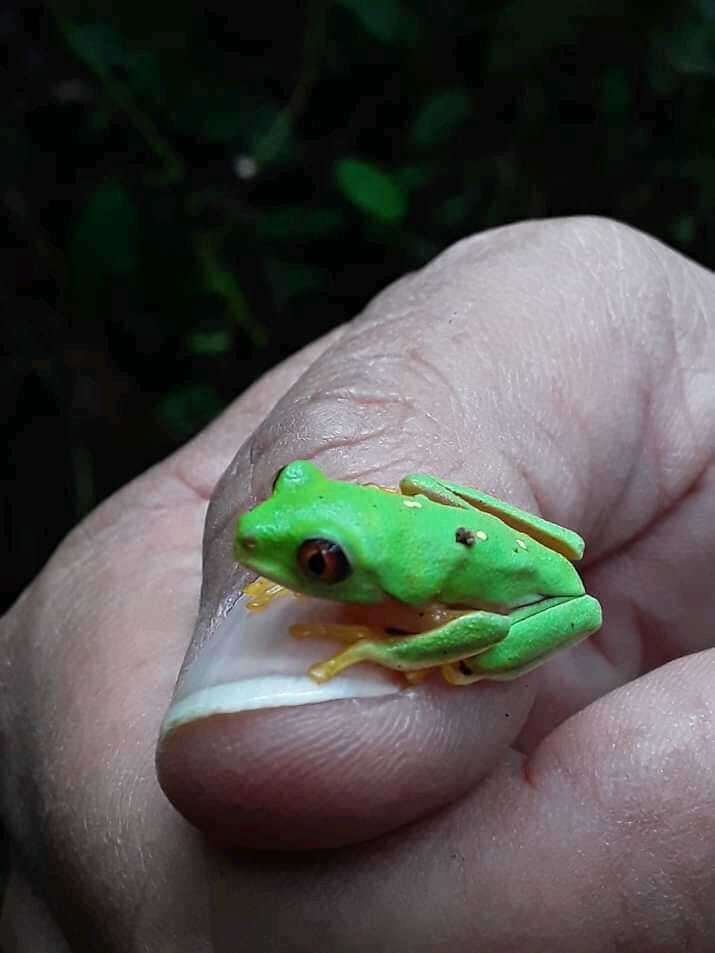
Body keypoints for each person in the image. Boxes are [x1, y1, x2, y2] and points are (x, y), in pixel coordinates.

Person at [1, 217, 713, 952]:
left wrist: (394, 650)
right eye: (288, 484)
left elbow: (480, 624)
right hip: (501, 542)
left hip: (540, 596)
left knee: (488, 631)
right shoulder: (366, 561)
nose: (258, 533)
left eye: (315, 564)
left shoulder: (412, 590)